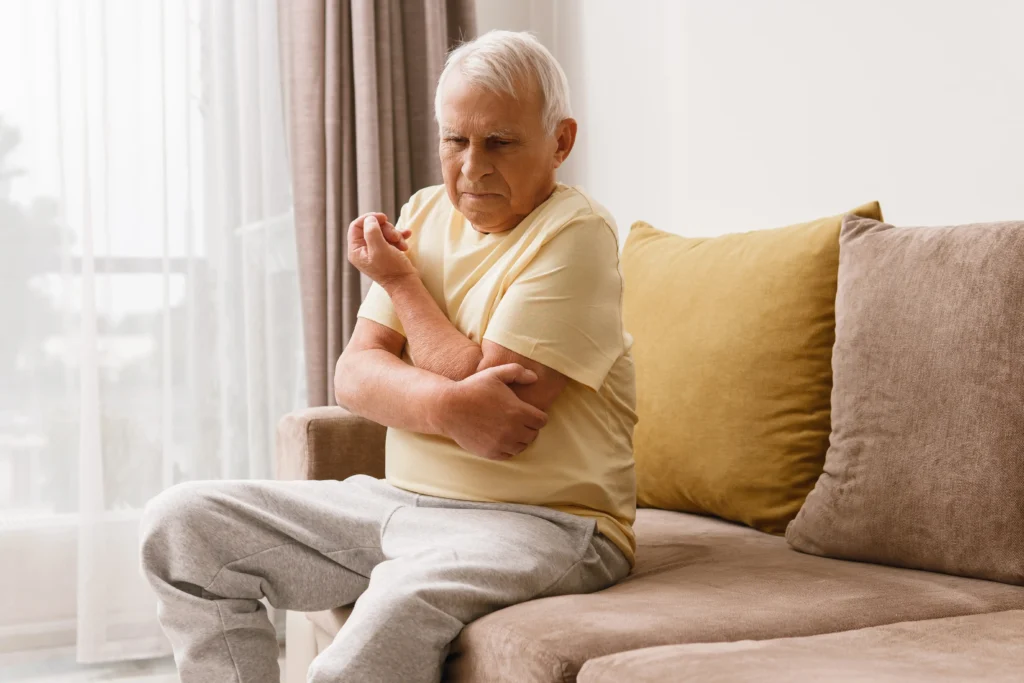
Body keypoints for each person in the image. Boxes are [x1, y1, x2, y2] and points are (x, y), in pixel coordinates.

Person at [140, 30, 637, 683]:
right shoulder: (424, 213)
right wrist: (450, 405)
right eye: (456, 139)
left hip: (550, 524)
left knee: (362, 649)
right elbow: (355, 375)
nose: (472, 166)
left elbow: (497, 415)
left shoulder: (578, 234)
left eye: (500, 142)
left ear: (561, 142)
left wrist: (403, 286)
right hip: (402, 503)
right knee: (181, 527)